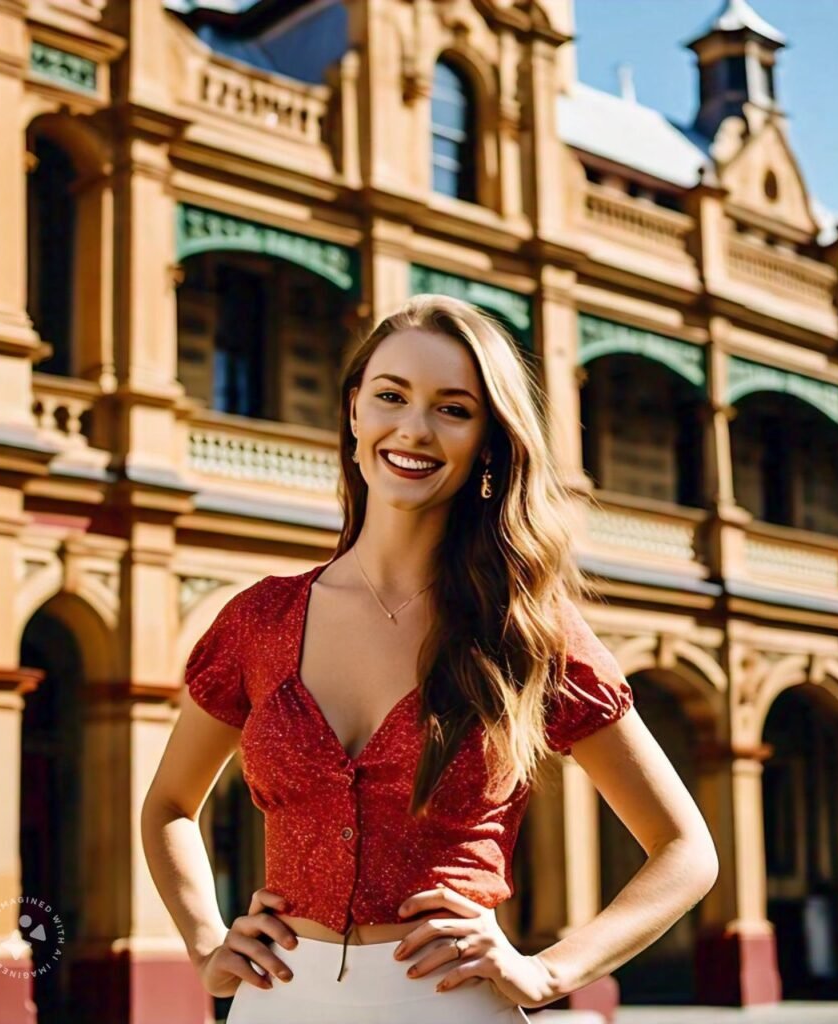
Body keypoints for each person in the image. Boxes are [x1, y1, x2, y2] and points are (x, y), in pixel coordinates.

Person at [141, 294, 719, 1023]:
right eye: (391, 396)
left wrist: (548, 972)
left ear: (487, 440)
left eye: (453, 408)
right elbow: (167, 806)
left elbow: (685, 849)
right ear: (355, 411)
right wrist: (204, 943)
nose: (413, 427)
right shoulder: (258, 621)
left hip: (449, 1007)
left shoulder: (527, 629)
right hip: (276, 1005)